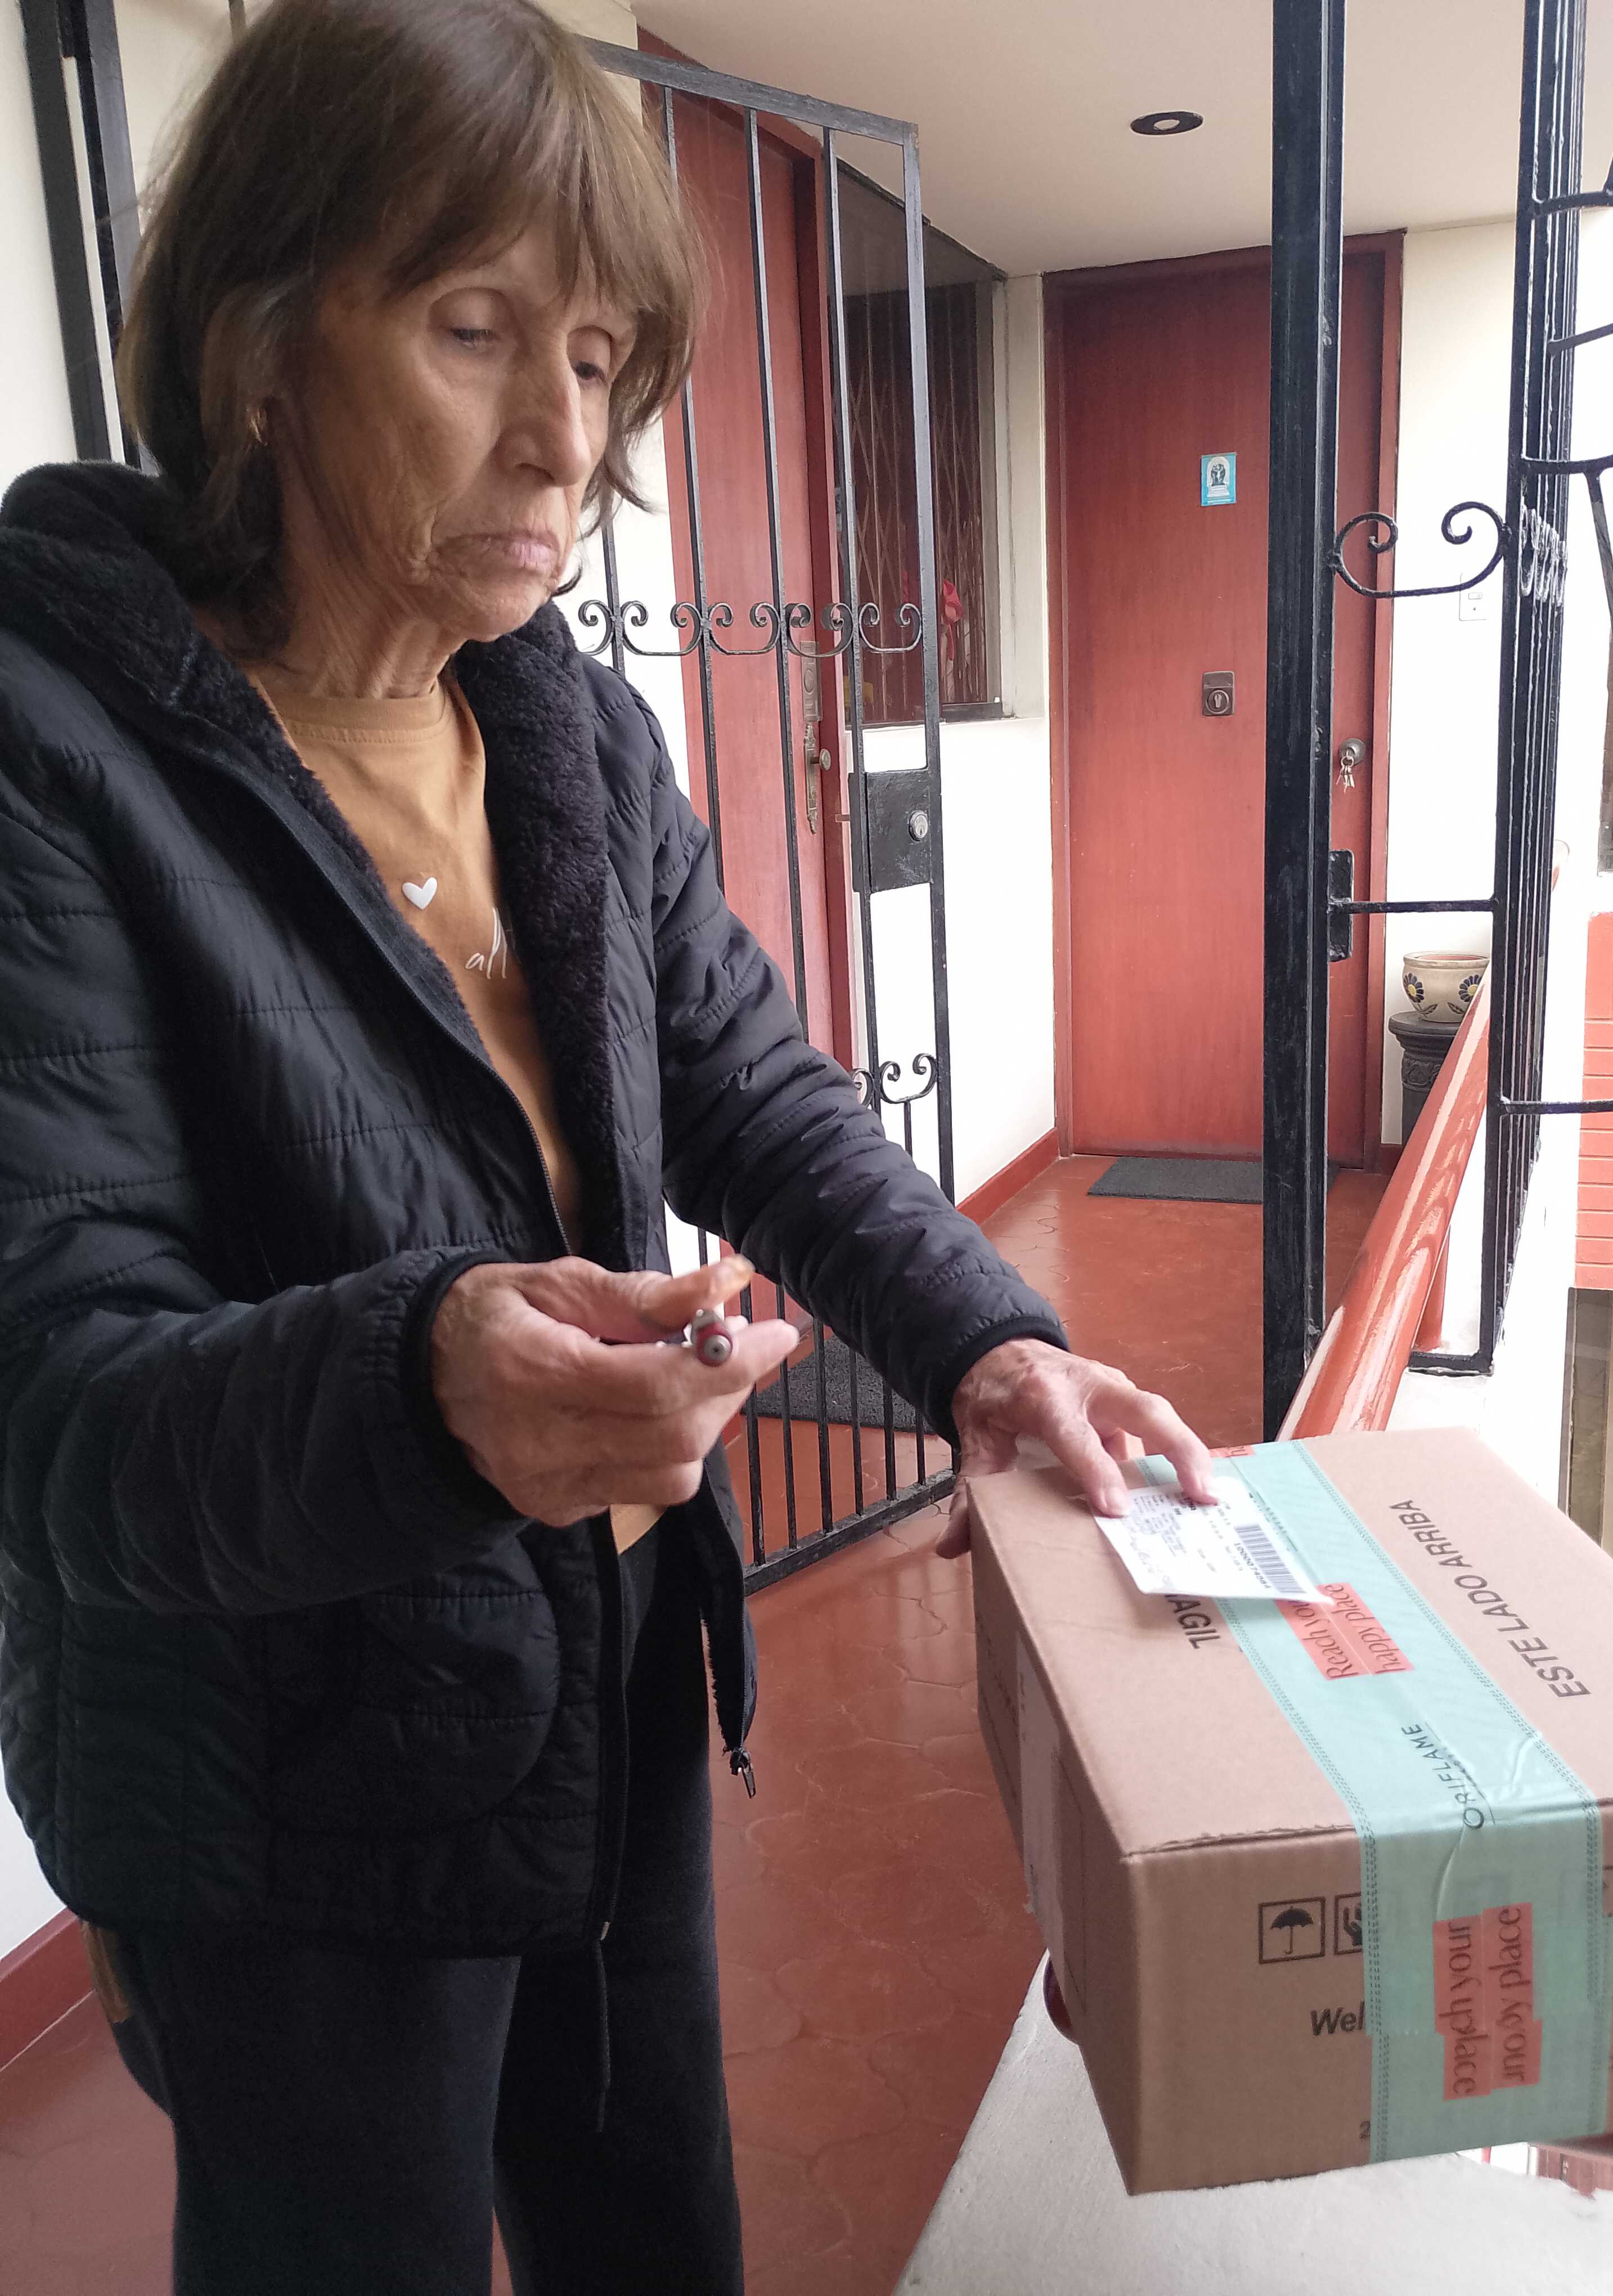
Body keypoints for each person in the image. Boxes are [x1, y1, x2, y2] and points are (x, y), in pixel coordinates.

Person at [0, 2, 1214, 2289]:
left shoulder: (557, 727)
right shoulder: (49, 753)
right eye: (474, 332)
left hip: (609, 1668)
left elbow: (751, 1088)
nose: (566, 438)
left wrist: (985, 1346)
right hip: (279, 1792)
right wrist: (427, 1381)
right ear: (260, 348)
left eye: (596, 355)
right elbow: (58, 1398)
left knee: (657, 2234)